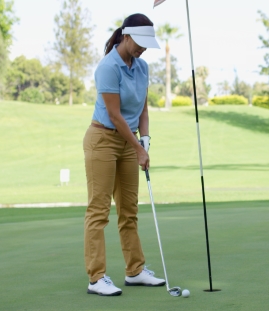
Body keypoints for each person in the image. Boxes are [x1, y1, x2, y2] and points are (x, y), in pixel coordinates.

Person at [83, 13, 165, 297]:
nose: (143, 48)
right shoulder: (108, 67)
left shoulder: (142, 67)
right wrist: (138, 148)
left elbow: (142, 108)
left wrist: (145, 139)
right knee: (99, 211)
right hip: (103, 139)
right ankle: (96, 278)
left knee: (129, 210)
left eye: (146, 43)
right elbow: (116, 115)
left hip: (130, 142)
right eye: (139, 42)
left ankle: (135, 271)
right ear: (126, 36)